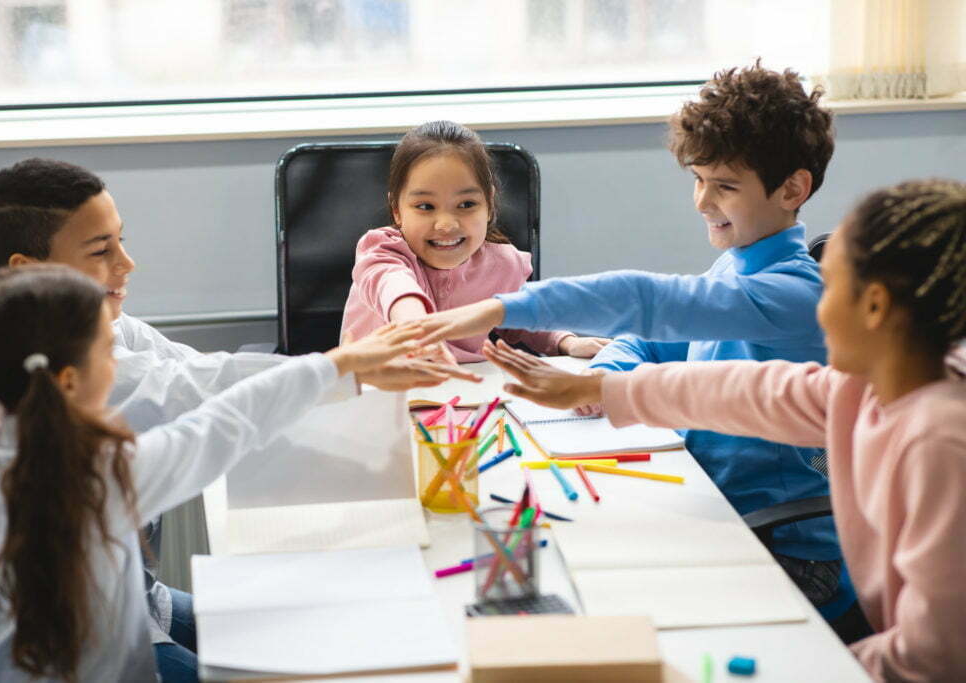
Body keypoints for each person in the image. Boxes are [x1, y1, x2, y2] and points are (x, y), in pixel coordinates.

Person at [0, 158, 472, 679]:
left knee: (295, 630)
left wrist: (345, 373)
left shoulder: (70, 342)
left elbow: (202, 372)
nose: (128, 263)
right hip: (100, 663)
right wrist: (340, 368)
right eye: (102, 251)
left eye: (120, 240)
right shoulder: (85, 462)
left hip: (134, 607)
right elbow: (209, 413)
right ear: (29, 269)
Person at [479, 179, 966, 682]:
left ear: (875, 307)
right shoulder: (868, 388)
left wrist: (806, 667)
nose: (817, 308)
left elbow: (934, 659)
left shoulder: (940, 442)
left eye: (831, 288)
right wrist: (603, 388)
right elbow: (748, 390)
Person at [418, 64, 847, 612]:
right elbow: (649, 342)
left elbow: (646, 301)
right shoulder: (735, 270)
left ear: (792, 188)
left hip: (789, 553)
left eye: (725, 186)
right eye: (698, 179)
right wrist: (603, 378)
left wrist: (503, 306)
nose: (701, 201)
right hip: (718, 508)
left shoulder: (791, 294)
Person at [340, 119, 609, 364]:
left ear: (489, 205)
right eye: (425, 206)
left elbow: (521, 317)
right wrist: (418, 331)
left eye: (466, 204)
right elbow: (395, 288)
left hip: (466, 391)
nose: (446, 224)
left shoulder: (503, 264)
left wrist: (567, 342)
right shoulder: (380, 251)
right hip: (377, 392)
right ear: (397, 210)